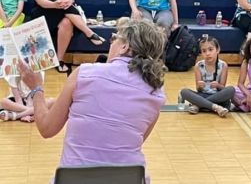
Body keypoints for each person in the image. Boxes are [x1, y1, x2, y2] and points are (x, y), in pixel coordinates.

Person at [19, 19, 167, 183]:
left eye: (114, 39)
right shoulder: (156, 93)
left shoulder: (84, 73)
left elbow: (46, 129)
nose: (111, 44)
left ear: (125, 47)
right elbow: (129, 140)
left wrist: (36, 88)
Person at [180, 36, 235, 117]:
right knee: (184, 91)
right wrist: (199, 86)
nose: (207, 53)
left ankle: (199, 105)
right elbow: (198, 89)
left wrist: (218, 85)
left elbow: (223, 88)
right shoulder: (198, 65)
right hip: (203, 95)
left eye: (210, 49)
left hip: (218, 96)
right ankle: (215, 107)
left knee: (231, 90)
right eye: (204, 51)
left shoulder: (223, 65)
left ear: (218, 50)